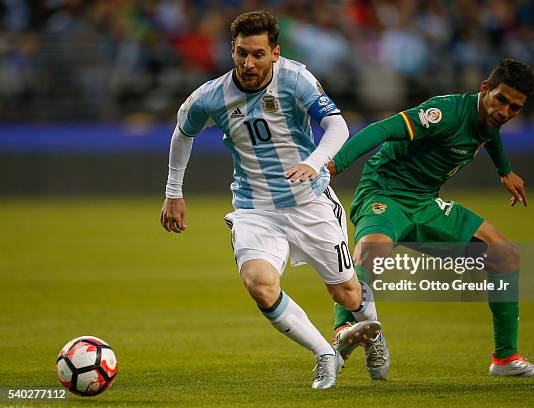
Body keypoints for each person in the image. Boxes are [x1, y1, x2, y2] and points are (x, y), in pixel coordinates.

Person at [159, 11, 382, 389]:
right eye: (242, 53)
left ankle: (373, 336)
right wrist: (173, 192)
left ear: (275, 53)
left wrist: (313, 164)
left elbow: (337, 125)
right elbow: (182, 133)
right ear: (232, 49)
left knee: (347, 292)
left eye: (258, 54)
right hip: (255, 208)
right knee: (260, 284)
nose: (249, 63)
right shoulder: (211, 96)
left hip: (309, 202)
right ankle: (325, 354)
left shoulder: (295, 78)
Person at [330, 59, 534, 379]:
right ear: (484, 90)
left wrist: (504, 170)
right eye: (501, 100)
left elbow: (489, 132)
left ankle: (506, 360)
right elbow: (381, 129)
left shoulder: (488, 118)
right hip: (384, 193)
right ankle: (342, 331)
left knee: (504, 254)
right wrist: (335, 165)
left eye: (515, 108)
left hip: (425, 202)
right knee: (372, 253)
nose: (505, 112)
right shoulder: (444, 113)